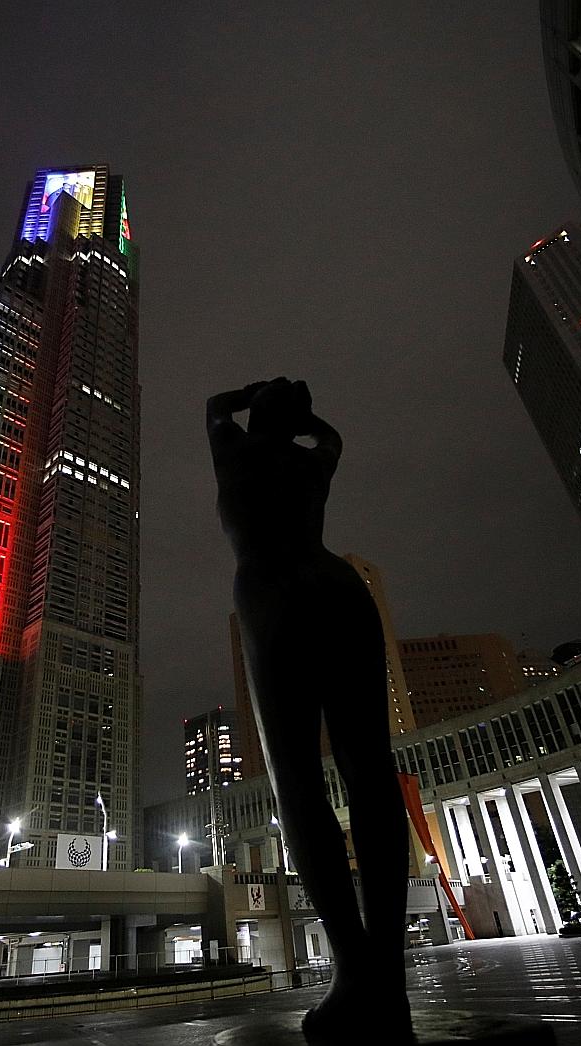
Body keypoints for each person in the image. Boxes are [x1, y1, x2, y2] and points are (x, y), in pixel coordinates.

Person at [208, 378, 412, 1043]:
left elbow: (214, 407)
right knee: (370, 770)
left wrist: (255, 396)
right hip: (338, 585)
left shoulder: (234, 449)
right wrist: (300, 413)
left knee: (297, 781)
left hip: (272, 591)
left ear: (258, 412)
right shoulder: (310, 458)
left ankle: (356, 972)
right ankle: (389, 979)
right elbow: (332, 437)